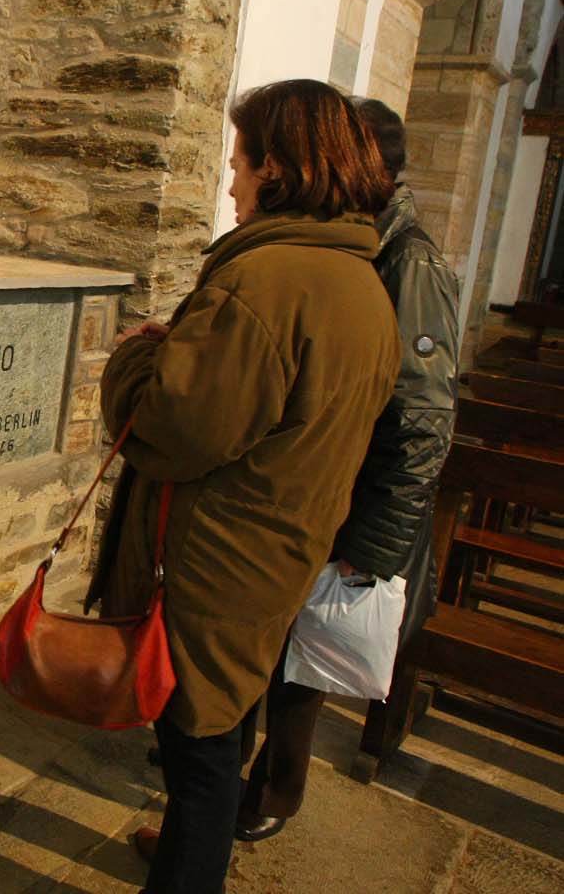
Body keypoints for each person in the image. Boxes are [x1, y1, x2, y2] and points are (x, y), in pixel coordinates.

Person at [83, 78, 402, 894]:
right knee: (221, 728)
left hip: (216, 561)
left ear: (280, 169)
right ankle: (197, 858)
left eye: (239, 164)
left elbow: (178, 428)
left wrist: (135, 360)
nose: (230, 182)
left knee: (200, 748)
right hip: (278, 547)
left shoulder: (266, 280)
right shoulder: (359, 280)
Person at [233, 96, 460, 842]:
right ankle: (230, 786)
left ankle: (273, 795)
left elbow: (422, 417)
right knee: (274, 650)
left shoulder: (409, 258)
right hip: (315, 493)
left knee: (306, 667)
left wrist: (376, 546)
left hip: (356, 507)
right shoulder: (358, 238)